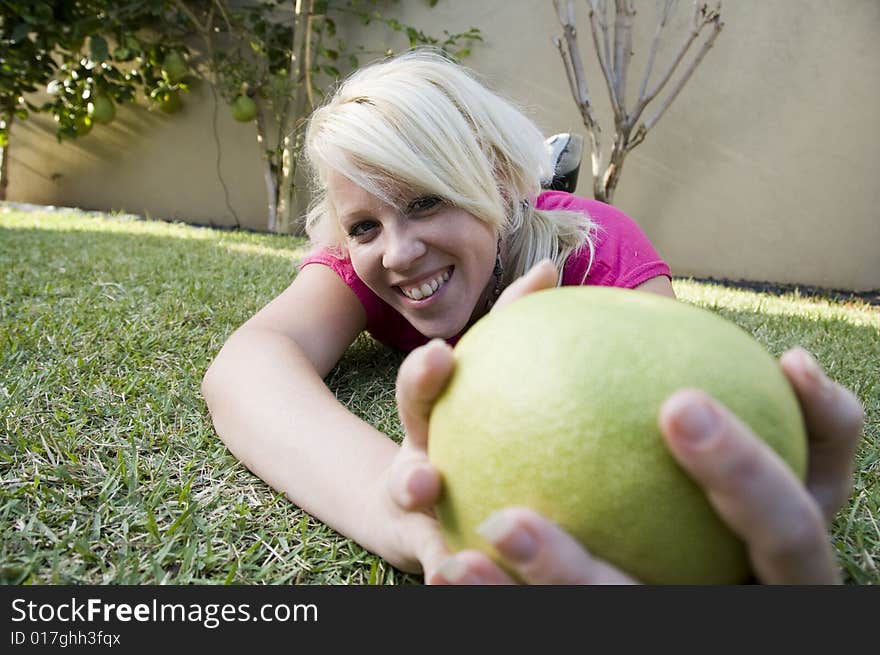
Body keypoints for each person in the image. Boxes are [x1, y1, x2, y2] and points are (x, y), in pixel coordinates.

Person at [201, 49, 864, 584]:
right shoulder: (365, 261)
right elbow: (246, 368)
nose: (399, 252)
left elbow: (672, 416)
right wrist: (395, 506)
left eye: (428, 201)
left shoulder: (599, 247)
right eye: (366, 222)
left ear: (495, 180)